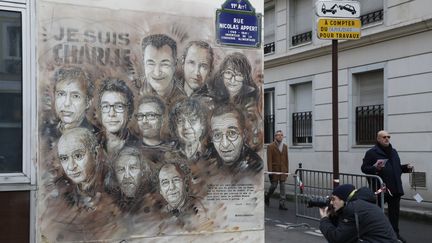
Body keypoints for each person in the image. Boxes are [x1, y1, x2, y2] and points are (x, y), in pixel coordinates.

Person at [361, 130, 413, 243]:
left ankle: (395, 235)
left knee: (394, 215)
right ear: (378, 139)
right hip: (380, 188)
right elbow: (364, 168)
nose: (387, 139)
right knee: (378, 213)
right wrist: (375, 168)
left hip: (395, 188)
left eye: (388, 137)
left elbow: (396, 168)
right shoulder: (372, 152)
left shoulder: (393, 151)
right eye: (384, 137)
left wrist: (406, 168)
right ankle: (376, 234)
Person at [319, 184, 398, 243]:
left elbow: (337, 239)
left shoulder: (352, 209)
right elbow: (347, 231)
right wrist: (333, 215)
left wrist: (324, 219)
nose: (331, 203)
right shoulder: (362, 205)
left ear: (343, 199)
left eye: (333, 199)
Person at [209, 104, 263, 175]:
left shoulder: (254, 165)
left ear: (244, 135)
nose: (225, 144)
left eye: (232, 133)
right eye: (217, 135)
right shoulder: (208, 162)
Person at [56, 127, 102, 209]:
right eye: (64, 158)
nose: (71, 166)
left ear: (95, 154)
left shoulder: (110, 190)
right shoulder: (64, 196)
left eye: (78, 156)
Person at [49, 67, 98, 136]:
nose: (67, 103)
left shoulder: (97, 136)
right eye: (61, 94)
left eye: (75, 96)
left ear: (88, 102)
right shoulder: (46, 133)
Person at [210, 52, 259, 116]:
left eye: (238, 75)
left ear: (245, 78)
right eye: (228, 72)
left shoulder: (251, 102)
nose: (232, 80)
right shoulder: (212, 97)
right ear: (222, 74)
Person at [141, 34, 183, 107]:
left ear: (175, 65)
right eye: (151, 63)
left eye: (165, 64)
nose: (157, 73)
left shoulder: (185, 99)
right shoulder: (132, 92)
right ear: (143, 63)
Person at [98, 78, 138, 155]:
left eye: (119, 106)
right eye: (106, 106)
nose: (112, 113)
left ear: (129, 111)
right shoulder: (92, 142)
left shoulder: (138, 147)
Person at [105, 146, 152, 212]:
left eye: (133, 168)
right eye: (121, 169)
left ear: (142, 171)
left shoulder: (152, 199)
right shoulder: (109, 201)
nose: (127, 176)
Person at [265, 130, 289, 210]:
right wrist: (270, 171)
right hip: (274, 170)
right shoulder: (270, 146)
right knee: (274, 186)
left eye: (281, 135)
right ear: (275, 137)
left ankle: (282, 204)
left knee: (283, 187)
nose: (280, 137)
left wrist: (287, 171)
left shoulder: (285, 146)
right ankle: (267, 196)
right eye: (278, 135)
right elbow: (269, 160)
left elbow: (286, 159)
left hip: (283, 170)